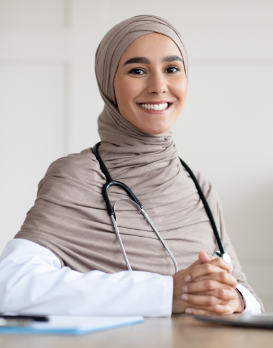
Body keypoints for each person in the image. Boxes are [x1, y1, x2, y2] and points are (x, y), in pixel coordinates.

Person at [0, 15, 263, 317]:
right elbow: (11, 284)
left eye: (172, 69)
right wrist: (165, 294)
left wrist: (235, 300)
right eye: (137, 70)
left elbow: (246, 293)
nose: (158, 86)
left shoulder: (197, 185)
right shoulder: (77, 176)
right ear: (108, 81)